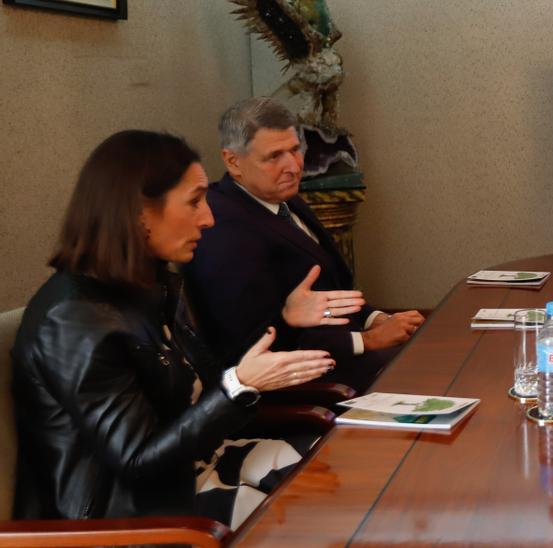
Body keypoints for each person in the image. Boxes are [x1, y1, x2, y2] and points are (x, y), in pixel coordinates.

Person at [12, 130, 345, 529]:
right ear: (138, 211)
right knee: (308, 524)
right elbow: (136, 462)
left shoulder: (152, 286)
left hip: (197, 465)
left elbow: (208, 388)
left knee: (338, 483)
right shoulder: (72, 319)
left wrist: (282, 323)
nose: (208, 217)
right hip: (128, 515)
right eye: (194, 201)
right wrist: (238, 386)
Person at [186, 97, 424, 393]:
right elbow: (250, 342)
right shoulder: (222, 226)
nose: (293, 166)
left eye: (295, 150)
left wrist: (378, 319)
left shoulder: (281, 198)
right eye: (274, 157)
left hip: (344, 359)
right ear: (233, 161)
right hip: (308, 384)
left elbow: (331, 292)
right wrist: (367, 340)